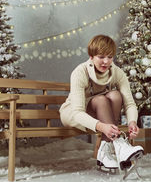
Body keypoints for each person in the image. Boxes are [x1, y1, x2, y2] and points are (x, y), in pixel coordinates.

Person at [59, 34, 144, 172]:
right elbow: (77, 112)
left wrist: (132, 122)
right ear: (91, 56)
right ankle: (119, 145)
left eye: (110, 57)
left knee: (116, 95)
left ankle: (105, 150)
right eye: (101, 57)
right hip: (73, 113)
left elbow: (129, 104)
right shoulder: (80, 72)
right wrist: (101, 126)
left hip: (101, 112)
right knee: (100, 99)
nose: (106, 61)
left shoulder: (117, 72)